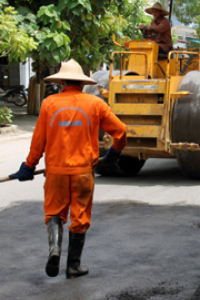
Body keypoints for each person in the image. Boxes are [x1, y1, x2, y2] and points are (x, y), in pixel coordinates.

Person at [9, 59, 127, 279]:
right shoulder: (95, 104)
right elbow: (121, 130)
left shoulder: (49, 104)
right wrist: (115, 152)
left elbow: (39, 141)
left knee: (54, 213)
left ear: (62, 81)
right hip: (83, 173)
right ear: (82, 83)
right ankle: (73, 266)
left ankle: (55, 248)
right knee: (79, 217)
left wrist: (28, 166)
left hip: (56, 173)